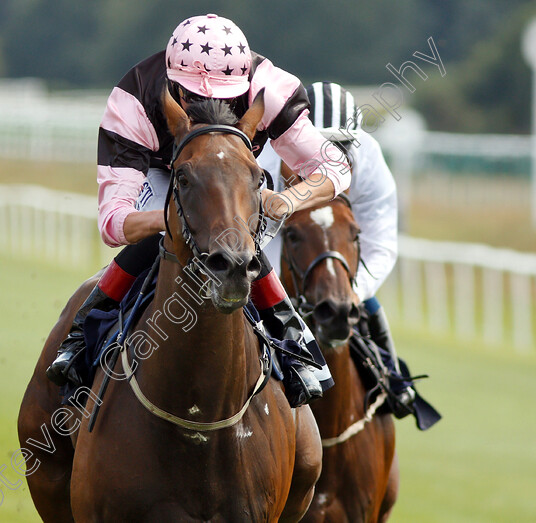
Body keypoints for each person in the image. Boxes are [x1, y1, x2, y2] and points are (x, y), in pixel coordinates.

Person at [45, 14, 353, 407]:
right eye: (193, 95)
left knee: (239, 240)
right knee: (168, 236)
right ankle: (80, 336)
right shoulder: (135, 99)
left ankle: (293, 346)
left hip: (232, 176)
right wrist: (173, 218)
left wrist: (289, 201)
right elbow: (112, 222)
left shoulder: (269, 89)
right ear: (172, 81)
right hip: (164, 176)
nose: (210, 103)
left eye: (225, 97)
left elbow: (335, 167)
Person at [261, 81, 417, 416]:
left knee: (357, 298)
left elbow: (381, 243)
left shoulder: (368, 161)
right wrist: (279, 301)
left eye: (341, 147)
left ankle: (391, 377)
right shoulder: (267, 161)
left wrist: (354, 291)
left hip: (335, 247)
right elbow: (258, 242)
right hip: (275, 244)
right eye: (318, 146)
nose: (331, 159)